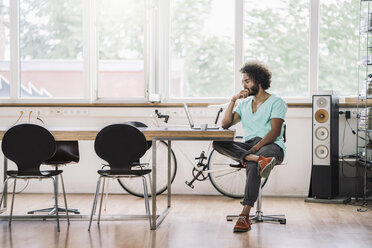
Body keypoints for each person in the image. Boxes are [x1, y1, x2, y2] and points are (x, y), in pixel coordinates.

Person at [213, 61, 287, 233]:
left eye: (247, 81)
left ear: (258, 81)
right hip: (250, 146)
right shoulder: (244, 104)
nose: (244, 85)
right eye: (243, 82)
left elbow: (275, 132)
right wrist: (233, 100)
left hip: (272, 145)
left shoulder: (277, 102)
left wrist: (254, 151)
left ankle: (245, 214)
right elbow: (225, 124)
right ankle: (256, 160)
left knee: (253, 164)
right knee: (218, 142)